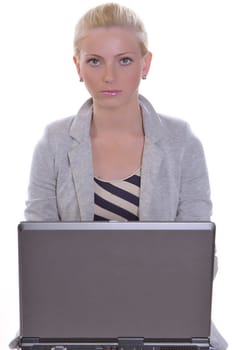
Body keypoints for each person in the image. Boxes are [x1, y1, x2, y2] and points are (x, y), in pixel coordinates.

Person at [19, 2, 227, 349]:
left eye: (125, 60)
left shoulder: (182, 143)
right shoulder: (53, 144)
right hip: (74, 319)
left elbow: (198, 260)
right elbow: (41, 259)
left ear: (145, 64)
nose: (109, 76)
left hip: (165, 317)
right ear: (78, 66)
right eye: (95, 61)